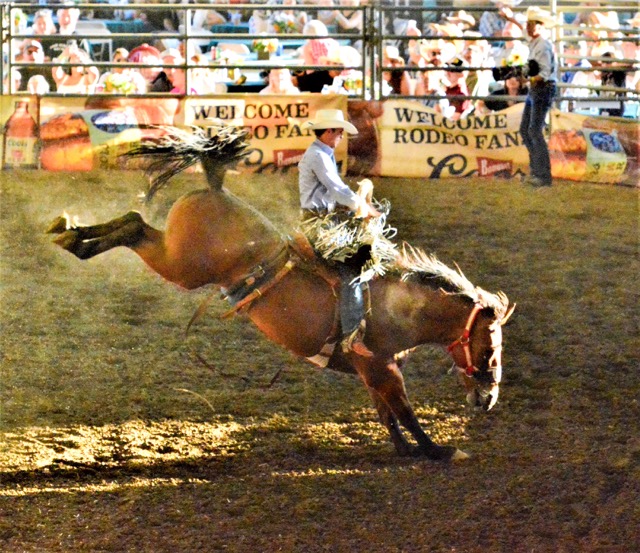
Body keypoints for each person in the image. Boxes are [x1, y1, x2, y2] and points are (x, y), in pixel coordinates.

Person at [298, 109, 381, 358]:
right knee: (351, 271)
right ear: (328, 131)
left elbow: (337, 190)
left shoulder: (322, 153)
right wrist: (360, 206)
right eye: (339, 130)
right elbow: (337, 189)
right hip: (318, 225)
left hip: (324, 220)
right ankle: (352, 335)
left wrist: (361, 204)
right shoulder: (318, 156)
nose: (342, 135)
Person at [519, 7, 557, 188]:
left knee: (532, 130)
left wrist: (525, 77)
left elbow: (544, 73)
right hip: (537, 89)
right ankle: (538, 171)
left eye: (532, 24)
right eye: (528, 23)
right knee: (528, 130)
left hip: (542, 88)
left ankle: (542, 174)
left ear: (540, 27)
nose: (528, 27)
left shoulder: (541, 46)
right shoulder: (537, 43)